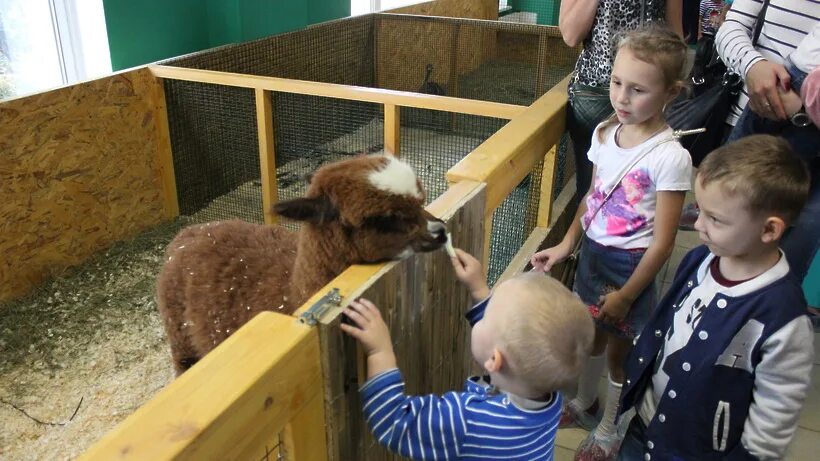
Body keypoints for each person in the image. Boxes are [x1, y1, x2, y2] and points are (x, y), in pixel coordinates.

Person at [531, 26, 692, 461]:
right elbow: (593, 197)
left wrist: (625, 295)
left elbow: (663, 243)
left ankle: (609, 429)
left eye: (638, 89)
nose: (622, 97)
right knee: (591, 340)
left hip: (632, 266)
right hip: (594, 257)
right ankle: (585, 403)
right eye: (616, 83)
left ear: (671, 93)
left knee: (620, 354)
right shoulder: (604, 132)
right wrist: (566, 244)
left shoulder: (670, 156)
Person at [616, 135, 814, 460]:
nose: (698, 224)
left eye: (715, 219)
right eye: (701, 211)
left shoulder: (783, 319)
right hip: (645, 427)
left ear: (769, 230)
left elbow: (773, 421)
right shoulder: (700, 259)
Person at [340, 249, 594, 460]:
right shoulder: (548, 398)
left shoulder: (469, 420)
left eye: (489, 313)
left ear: (494, 361)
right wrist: (479, 289)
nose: (484, 315)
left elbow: (394, 420)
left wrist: (379, 351)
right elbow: (507, 345)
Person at [559, 0, 683, 202]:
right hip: (596, 94)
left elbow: (675, 36)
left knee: (641, 192)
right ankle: (588, 231)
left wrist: (667, 88)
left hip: (648, 96)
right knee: (593, 189)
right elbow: (571, 35)